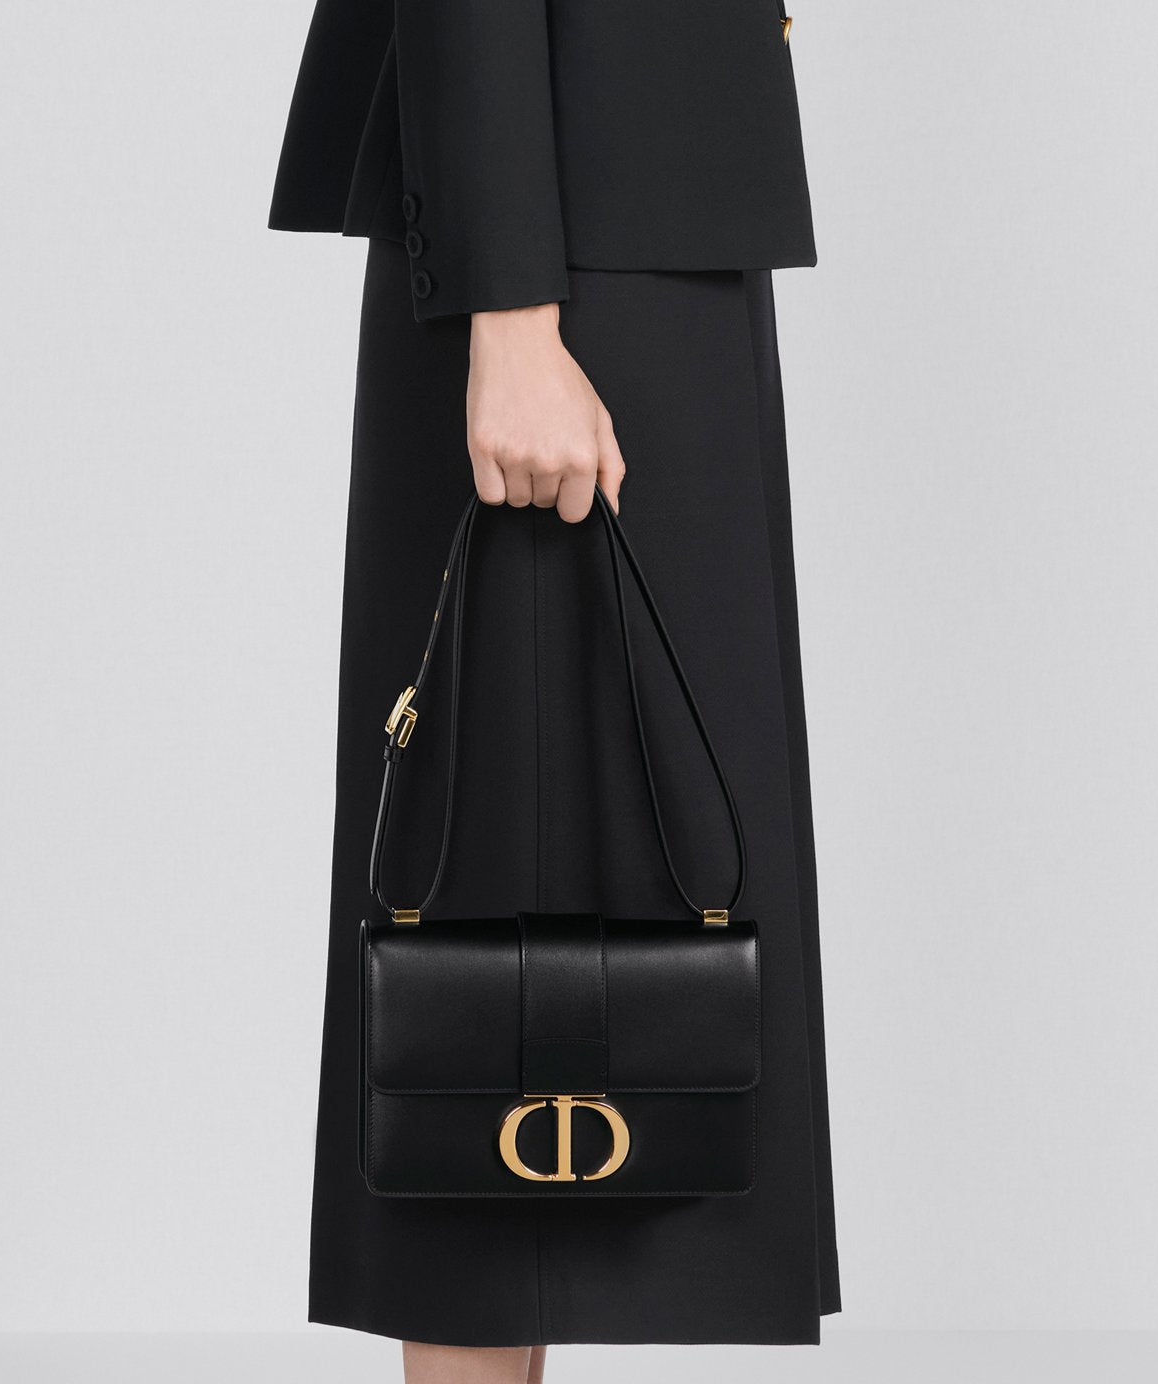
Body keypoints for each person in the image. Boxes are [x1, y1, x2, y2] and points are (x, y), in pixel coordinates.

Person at [268, 2, 841, 1378]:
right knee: (493, 971)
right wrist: (511, 307)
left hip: (635, 208)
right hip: (561, 246)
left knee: (619, 914)